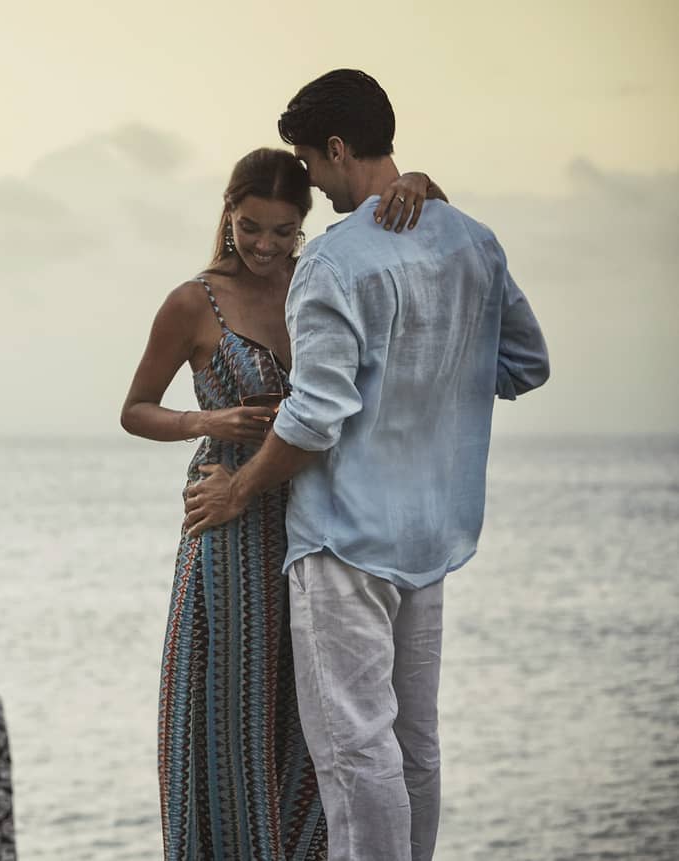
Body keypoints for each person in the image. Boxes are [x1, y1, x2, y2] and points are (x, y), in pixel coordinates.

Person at [183, 70, 550, 861]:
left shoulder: (334, 262)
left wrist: (240, 491)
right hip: (433, 536)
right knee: (415, 742)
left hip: (344, 540)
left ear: (340, 148)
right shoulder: (471, 240)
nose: (309, 176)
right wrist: (431, 368)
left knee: (356, 752)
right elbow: (525, 364)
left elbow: (314, 418)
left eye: (311, 160)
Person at [121, 148, 440, 860]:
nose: (264, 246)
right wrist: (208, 421)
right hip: (229, 532)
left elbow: (407, 229)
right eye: (250, 228)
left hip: (319, 524)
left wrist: (421, 185)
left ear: (304, 227)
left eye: (282, 231)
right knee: (232, 717)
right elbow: (135, 409)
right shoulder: (191, 301)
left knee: (322, 720)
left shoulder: (323, 278)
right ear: (227, 215)